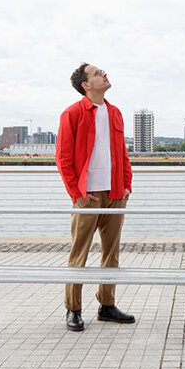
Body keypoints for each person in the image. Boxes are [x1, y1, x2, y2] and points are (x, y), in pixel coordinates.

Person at [56, 62, 135, 331]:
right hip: (87, 196)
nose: (104, 74)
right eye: (97, 73)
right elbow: (64, 159)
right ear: (85, 85)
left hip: (114, 193)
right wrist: (77, 193)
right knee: (79, 253)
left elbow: (122, 153)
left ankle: (107, 305)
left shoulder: (115, 113)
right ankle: (73, 309)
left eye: (102, 71)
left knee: (111, 253)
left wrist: (126, 185)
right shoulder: (72, 114)